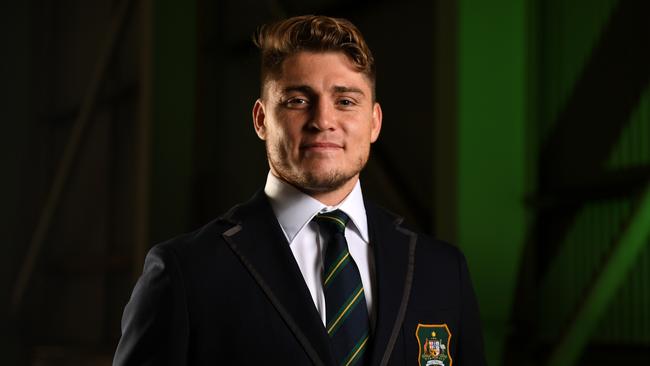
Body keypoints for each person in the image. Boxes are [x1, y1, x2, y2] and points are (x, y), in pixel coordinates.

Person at [113, 15, 486, 366]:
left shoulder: (441, 271)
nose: (323, 121)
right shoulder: (185, 273)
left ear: (374, 122)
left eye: (345, 101)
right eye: (297, 100)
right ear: (261, 119)